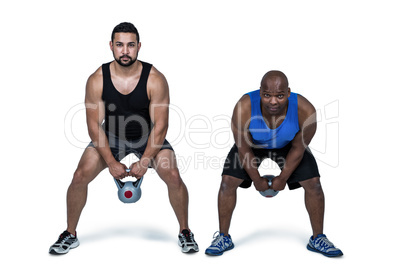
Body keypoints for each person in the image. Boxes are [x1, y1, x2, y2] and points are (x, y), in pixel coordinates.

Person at [49, 22, 198, 255]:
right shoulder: (97, 79)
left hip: (148, 136)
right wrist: (111, 162)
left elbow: (161, 126)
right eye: (119, 45)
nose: (125, 51)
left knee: (173, 175)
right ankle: (70, 233)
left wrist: (145, 160)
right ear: (111, 46)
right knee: (79, 176)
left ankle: (185, 231)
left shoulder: (155, 78)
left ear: (139, 46)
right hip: (111, 136)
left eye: (130, 45)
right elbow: (93, 125)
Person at [205, 71, 343, 257]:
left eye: (279, 95)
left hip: (289, 145)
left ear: (288, 92)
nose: (273, 101)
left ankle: (318, 238)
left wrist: (283, 178)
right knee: (227, 181)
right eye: (267, 95)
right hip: (252, 145)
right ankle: (223, 237)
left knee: (314, 184)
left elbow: (298, 148)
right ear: (260, 92)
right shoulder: (244, 107)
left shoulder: (306, 111)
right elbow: (243, 147)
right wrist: (256, 179)